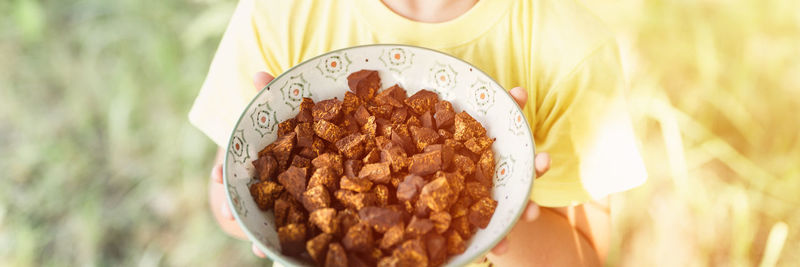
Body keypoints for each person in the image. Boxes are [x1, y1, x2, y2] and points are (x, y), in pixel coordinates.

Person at [191, 0, 648, 265]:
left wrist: (504, 206)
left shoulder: (572, 50)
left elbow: (583, 256)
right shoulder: (279, 13)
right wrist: (245, 200)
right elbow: (226, 201)